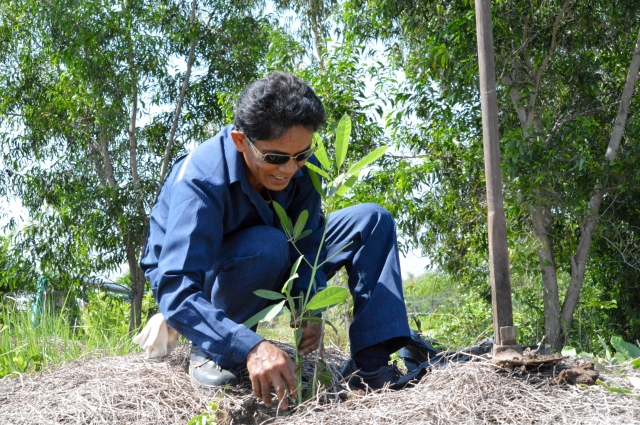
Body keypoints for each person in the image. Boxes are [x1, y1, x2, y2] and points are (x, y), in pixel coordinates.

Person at [140, 71, 411, 410]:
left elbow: (308, 242)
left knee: (371, 220)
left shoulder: (299, 164)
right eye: (276, 158)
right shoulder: (201, 181)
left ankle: (369, 366)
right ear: (241, 141)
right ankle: (213, 350)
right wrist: (250, 346)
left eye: (302, 155)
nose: (289, 169)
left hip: (276, 253)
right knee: (267, 244)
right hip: (206, 275)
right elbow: (175, 285)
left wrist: (310, 303)